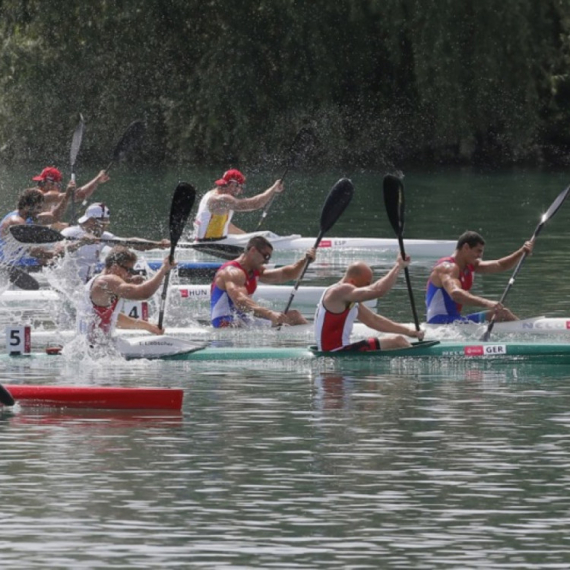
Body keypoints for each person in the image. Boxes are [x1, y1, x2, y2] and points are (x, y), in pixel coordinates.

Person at [314, 257, 424, 352]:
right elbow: (378, 290)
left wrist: (409, 331)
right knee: (397, 341)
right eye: (366, 283)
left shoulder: (348, 298)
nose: (368, 286)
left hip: (340, 350)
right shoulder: (340, 291)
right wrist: (398, 266)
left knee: (397, 340)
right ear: (352, 282)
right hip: (336, 352)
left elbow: (373, 320)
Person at [425, 230, 534, 324]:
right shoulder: (448, 267)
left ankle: (524, 329)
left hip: (455, 320)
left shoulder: (470, 266)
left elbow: (500, 265)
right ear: (466, 247)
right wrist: (487, 303)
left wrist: (521, 252)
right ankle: (529, 332)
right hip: (439, 322)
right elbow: (455, 294)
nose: (480, 255)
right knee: (502, 314)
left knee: (501, 313)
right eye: (478, 251)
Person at [211, 235, 316, 327]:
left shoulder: (255, 270)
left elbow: (286, 274)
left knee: (294, 316)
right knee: (287, 320)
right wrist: (270, 314)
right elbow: (240, 301)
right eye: (266, 256)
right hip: (226, 323)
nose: (267, 261)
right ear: (253, 250)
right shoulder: (233, 272)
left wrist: (305, 261)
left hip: (243, 319)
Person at [77, 245, 175, 344]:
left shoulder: (99, 281)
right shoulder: (106, 281)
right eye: (129, 270)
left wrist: (149, 327)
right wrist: (163, 270)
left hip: (92, 348)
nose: (130, 274)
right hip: (95, 349)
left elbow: (114, 318)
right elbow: (144, 293)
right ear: (115, 267)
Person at [60, 202, 170, 283]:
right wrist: (81, 242)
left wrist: (157, 244)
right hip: (67, 287)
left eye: (105, 224)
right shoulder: (69, 232)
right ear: (91, 221)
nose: (104, 228)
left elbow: (130, 242)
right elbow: (58, 252)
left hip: (84, 285)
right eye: (102, 224)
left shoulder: (103, 236)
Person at [193, 169, 284, 240]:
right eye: (240, 187)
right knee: (266, 235)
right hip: (211, 244)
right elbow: (255, 204)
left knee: (258, 238)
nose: (240, 191)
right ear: (233, 184)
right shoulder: (221, 199)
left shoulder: (212, 195)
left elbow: (227, 226)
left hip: (212, 241)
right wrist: (273, 189)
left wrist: (248, 237)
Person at [0, 187, 74, 265]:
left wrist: (67, 196)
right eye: (38, 207)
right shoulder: (16, 221)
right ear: (27, 206)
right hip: (8, 263)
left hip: (19, 260)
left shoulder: (29, 216)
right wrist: (54, 254)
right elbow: (31, 251)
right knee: (49, 262)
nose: (40, 211)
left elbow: (54, 217)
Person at [31, 166, 110, 225]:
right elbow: (79, 195)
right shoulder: (44, 195)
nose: (39, 186)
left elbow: (54, 225)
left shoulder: (49, 200)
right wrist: (97, 179)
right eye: (39, 183)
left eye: (41, 182)